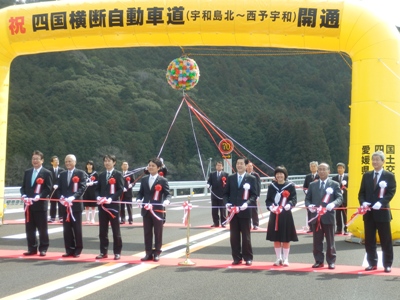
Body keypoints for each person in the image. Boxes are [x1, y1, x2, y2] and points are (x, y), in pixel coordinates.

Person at [358, 151, 396, 273]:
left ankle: (387, 264)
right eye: (373, 159)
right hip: (369, 213)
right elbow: (361, 193)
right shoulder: (367, 175)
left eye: (377, 160)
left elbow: (391, 191)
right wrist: (363, 202)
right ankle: (372, 263)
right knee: (369, 239)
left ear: (383, 161)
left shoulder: (389, 175)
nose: (374, 162)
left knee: (386, 239)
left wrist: (382, 202)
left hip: (382, 213)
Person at [305, 162, 342, 269]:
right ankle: (318, 260)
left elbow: (340, 198)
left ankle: (331, 261)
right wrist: (309, 205)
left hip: (328, 216)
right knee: (317, 240)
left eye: (323, 169)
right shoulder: (312, 185)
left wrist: (333, 204)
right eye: (319, 169)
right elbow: (307, 199)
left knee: (330, 240)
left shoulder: (334, 184)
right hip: (316, 217)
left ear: (329, 171)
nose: (321, 171)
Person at [223, 157, 257, 266]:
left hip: (245, 211)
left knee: (246, 236)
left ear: (246, 165)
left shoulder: (251, 178)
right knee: (234, 236)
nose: (239, 165)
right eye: (237, 163)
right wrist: (226, 203)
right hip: (233, 212)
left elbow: (254, 195)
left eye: (241, 164)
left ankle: (248, 257)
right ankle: (236, 257)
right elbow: (225, 193)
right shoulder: (231, 177)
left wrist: (247, 203)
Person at [136, 157, 172, 262]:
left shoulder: (163, 180)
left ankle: (157, 252)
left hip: (158, 210)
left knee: (158, 232)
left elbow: (167, 194)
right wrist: (138, 199)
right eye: (149, 165)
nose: (150, 167)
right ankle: (148, 253)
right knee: (147, 232)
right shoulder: (144, 179)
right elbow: (140, 193)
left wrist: (166, 201)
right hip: (146, 210)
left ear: (159, 168)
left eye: (153, 166)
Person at [20, 150, 52, 256]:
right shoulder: (27, 172)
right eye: (33, 159)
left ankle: (43, 248)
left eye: (37, 159)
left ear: (42, 160)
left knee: (42, 228)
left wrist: (40, 196)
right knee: (29, 228)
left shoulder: (46, 173)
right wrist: (23, 195)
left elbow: (48, 188)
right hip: (28, 205)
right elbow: (23, 187)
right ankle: (32, 248)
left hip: (40, 205)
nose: (35, 161)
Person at [265, 166, 298, 266]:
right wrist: (271, 207)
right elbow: (268, 200)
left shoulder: (290, 186)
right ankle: (278, 258)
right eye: (277, 174)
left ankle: (286, 259)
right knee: (276, 237)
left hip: (286, 214)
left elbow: (293, 198)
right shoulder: (272, 186)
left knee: (286, 237)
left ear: (285, 175)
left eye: (281, 173)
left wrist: (290, 205)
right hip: (275, 214)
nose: (279, 175)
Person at [95, 154, 124, 260]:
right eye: (105, 161)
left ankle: (117, 252)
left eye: (109, 161)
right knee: (102, 230)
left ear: (114, 162)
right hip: (102, 206)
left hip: (113, 206)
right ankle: (103, 251)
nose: (107, 163)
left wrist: (112, 198)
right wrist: (98, 196)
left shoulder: (118, 174)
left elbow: (120, 189)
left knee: (116, 230)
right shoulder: (101, 175)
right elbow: (97, 188)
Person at [58, 154, 87, 258]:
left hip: (75, 205)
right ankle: (69, 249)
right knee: (66, 229)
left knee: (77, 228)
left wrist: (74, 197)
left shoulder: (81, 173)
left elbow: (82, 187)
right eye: (66, 161)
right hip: (65, 205)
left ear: (75, 162)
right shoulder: (62, 174)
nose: (68, 163)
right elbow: (59, 188)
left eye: (70, 161)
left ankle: (78, 249)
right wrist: (61, 197)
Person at [206, 161, 228, 228]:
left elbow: (228, 184)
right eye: (217, 165)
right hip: (214, 195)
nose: (219, 166)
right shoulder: (212, 174)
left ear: (222, 167)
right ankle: (216, 223)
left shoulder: (226, 174)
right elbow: (209, 182)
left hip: (222, 195)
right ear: (216, 166)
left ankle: (223, 223)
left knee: (223, 210)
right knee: (214, 210)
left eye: (220, 165)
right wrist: (208, 185)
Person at [303, 161, 320, 232]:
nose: (312, 168)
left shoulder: (319, 176)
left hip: (317, 197)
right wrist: (306, 191)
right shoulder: (307, 177)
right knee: (309, 212)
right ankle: (310, 227)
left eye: (314, 166)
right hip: (309, 197)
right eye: (311, 166)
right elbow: (304, 186)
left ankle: (318, 226)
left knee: (317, 211)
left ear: (317, 167)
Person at [332, 162, 348, 234]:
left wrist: (344, 190)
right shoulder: (334, 178)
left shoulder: (348, 177)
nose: (339, 169)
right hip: (337, 200)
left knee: (345, 215)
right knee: (337, 215)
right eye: (338, 168)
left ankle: (346, 228)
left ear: (344, 169)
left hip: (345, 199)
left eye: (341, 168)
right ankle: (338, 229)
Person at [48, 155, 65, 223]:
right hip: (52, 190)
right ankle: (52, 217)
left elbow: (63, 180)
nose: (57, 162)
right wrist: (52, 185)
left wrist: (58, 185)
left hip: (59, 190)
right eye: (55, 161)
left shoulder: (62, 170)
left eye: (57, 161)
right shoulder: (49, 171)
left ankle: (61, 217)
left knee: (60, 204)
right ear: (52, 162)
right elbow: (48, 180)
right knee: (53, 204)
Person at [246, 162, 261, 230]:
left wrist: (258, 195)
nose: (249, 168)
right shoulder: (244, 175)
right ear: (246, 167)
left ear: (252, 167)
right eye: (248, 166)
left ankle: (255, 224)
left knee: (254, 210)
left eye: (251, 166)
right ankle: (248, 224)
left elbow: (258, 185)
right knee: (246, 210)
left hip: (253, 195)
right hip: (245, 195)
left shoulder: (256, 175)